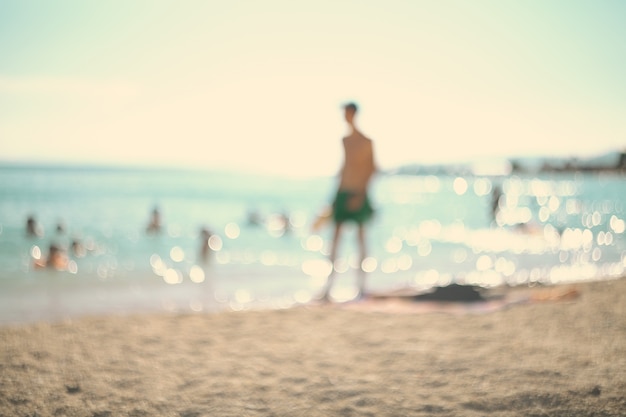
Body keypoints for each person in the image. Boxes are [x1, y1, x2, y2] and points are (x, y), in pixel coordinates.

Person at [321, 102, 377, 300]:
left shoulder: (366, 141)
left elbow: (372, 168)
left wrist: (361, 194)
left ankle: (361, 287)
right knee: (335, 241)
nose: (345, 116)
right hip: (342, 192)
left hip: (358, 193)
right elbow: (344, 167)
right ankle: (328, 288)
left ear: (353, 113)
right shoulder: (344, 140)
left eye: (346, 113)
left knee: (360, 240)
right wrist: (334, 199)